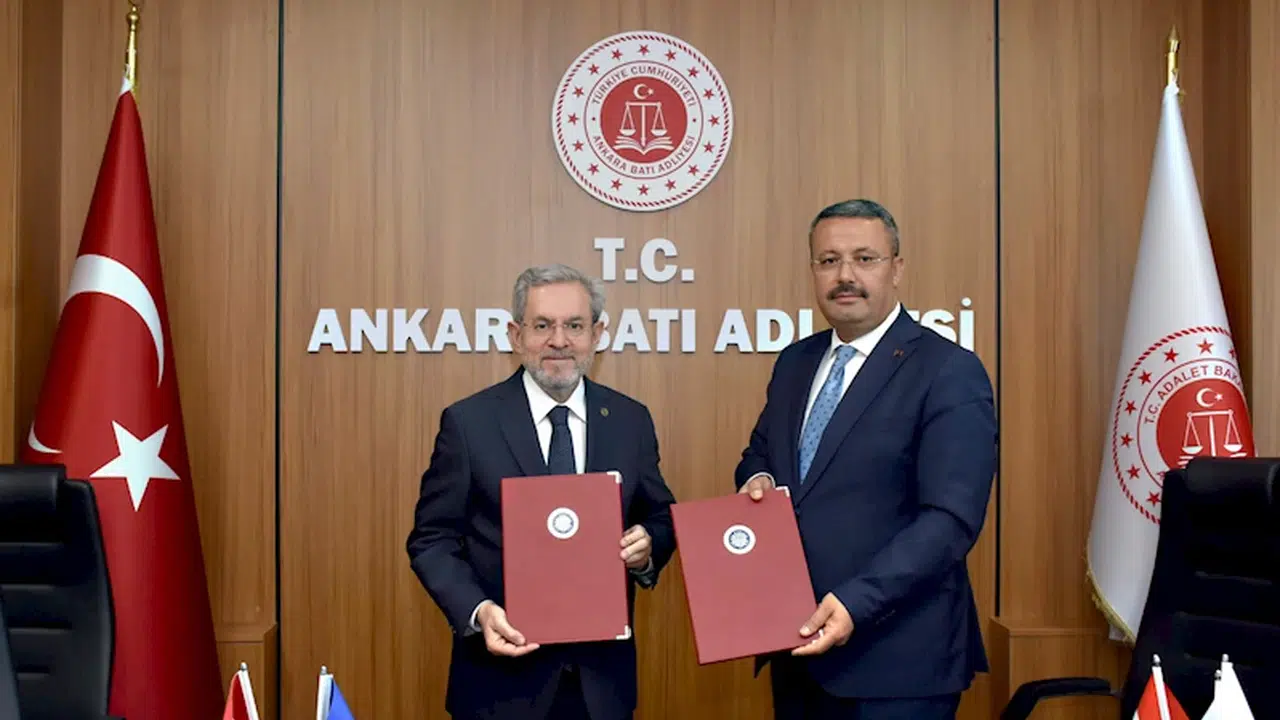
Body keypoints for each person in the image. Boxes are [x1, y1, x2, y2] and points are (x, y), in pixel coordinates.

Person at [735, 199, 997, 720]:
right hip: (798, 648)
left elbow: (950, 519)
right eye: (829, 260)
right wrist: (757, 478)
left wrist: (858, 601)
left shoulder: (947, 369)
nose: (845, 276)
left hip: (898, 665)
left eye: (864, 258)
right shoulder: (795, 362)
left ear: (896, 268)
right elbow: (759, 454)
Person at [406, 263, 677, 720]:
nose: (559, 340)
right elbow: (431, 539)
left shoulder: (630, 420)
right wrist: (478, 611)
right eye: (542, 326)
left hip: (601, 689)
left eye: (575, 326)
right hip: (499, 688)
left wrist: (647, 548)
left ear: (597, 334)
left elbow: (660, 516)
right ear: (516, 335)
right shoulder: (469, 424)